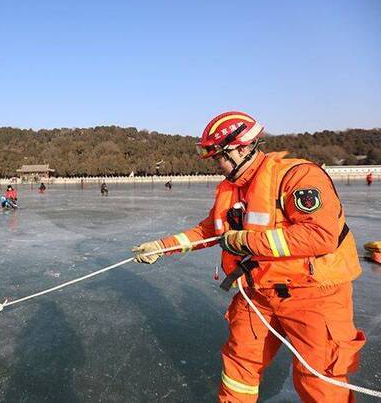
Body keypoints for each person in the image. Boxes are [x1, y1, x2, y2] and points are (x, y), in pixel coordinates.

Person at [132, 111, 365, 402]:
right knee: (238, 367)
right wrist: (162, 246)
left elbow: (320, 235)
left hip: (314, 294)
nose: (217, 165)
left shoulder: (297, 176)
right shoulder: (232, 188)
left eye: (220, 156)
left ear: (243, 147)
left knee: (320, 381)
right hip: (258, 295)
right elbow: (210, 230)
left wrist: (247, 241)